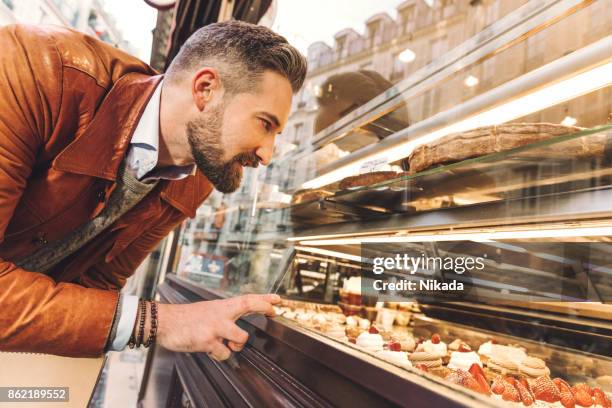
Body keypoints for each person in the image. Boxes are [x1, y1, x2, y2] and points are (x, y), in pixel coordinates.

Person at [0, 21, 307, 361]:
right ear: (205, 89)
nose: (268, 153)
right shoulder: (35, 70)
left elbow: (97, 282)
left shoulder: (195, 178)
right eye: (265, 124)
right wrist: (162, 322)